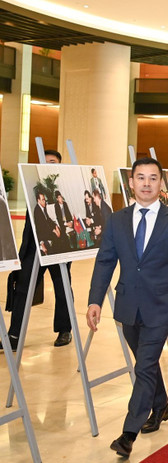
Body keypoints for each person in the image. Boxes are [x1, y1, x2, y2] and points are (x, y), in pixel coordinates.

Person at [86, 157, 168, 457]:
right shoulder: (117, 220)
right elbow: (105, 262)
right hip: (127, 304)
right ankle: (161, 405)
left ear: (161, 183)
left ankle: (128, 432)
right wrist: (95, 300)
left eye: (153, 178)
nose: (146, 183)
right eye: (141, 178)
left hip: (161, 306)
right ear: (131, 182)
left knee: (145, 364)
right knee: (145, 362)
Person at [3, 150, 73, 352]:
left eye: (51, 162)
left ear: (58, 166)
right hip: (34, 248)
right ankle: (14, 335)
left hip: (57, 250)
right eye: (43, 161)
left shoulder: (60, 194)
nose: (47, 164)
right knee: (23, 288)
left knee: (62, 289)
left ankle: (64, 330)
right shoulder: (33, 188)